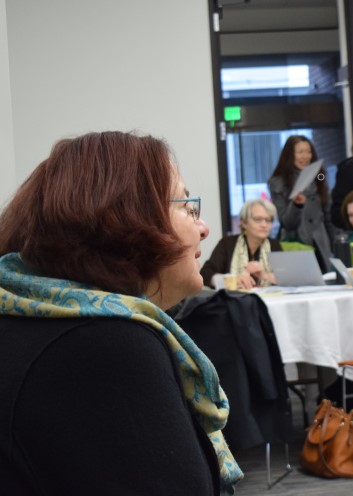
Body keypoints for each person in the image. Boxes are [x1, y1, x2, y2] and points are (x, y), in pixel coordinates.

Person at [0, 131, 242, 494]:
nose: (203, 227)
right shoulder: (106, 344)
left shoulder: (34, 316)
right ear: (125, 218)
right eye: (187, 207)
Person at [268, 135, 335, 271]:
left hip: (321, 242)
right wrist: (296, 205)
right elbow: (286, 222)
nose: (305, 156)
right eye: (300, 152)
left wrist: (335, 242)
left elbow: (328, 214)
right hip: (296, 243)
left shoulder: (319, 176)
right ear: (289, 155)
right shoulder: (277, 182)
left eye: (308, 151)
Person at [200, 198, 281, 289]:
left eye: (268, 220)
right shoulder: (227, 244)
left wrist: (265, 275)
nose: (264, 224)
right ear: (244, 222)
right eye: (258, 219)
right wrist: (232, 280)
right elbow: (205, 274)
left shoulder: (274, 245)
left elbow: (286, 278)